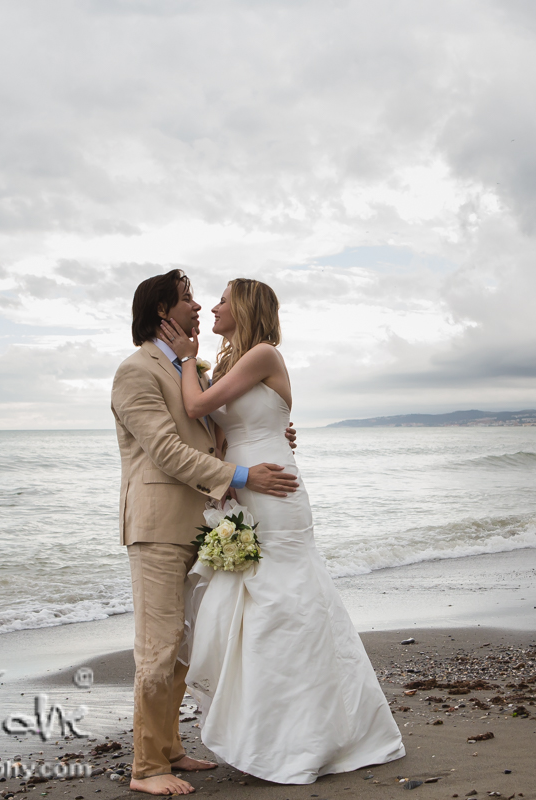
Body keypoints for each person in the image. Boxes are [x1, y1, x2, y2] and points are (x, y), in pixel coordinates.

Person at [157, 278, 405, 785]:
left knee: (284, 603)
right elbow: (221, 429)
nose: (215, 306)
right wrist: (224, 474)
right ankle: (268, 728)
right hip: (244, 486)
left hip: (274, 491)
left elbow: (198, 408)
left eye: (224, 298)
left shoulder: (264, 353)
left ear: (245, 307)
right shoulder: (231, 364)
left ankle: (308, 735)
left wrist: (186, 359)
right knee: (253, 604)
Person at [110, 269, 300, 796]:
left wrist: (267, 433)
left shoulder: (190, 367)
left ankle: (169, 748)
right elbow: (168, 452)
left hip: (202, 525)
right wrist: (243, 474)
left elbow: (216, 434)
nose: (198, 307)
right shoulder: (135, 372)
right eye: (188, 299)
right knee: (157, 646)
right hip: (157, 527)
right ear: (162, 313)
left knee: (183, 646)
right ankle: (146, 769)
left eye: (200, 299)